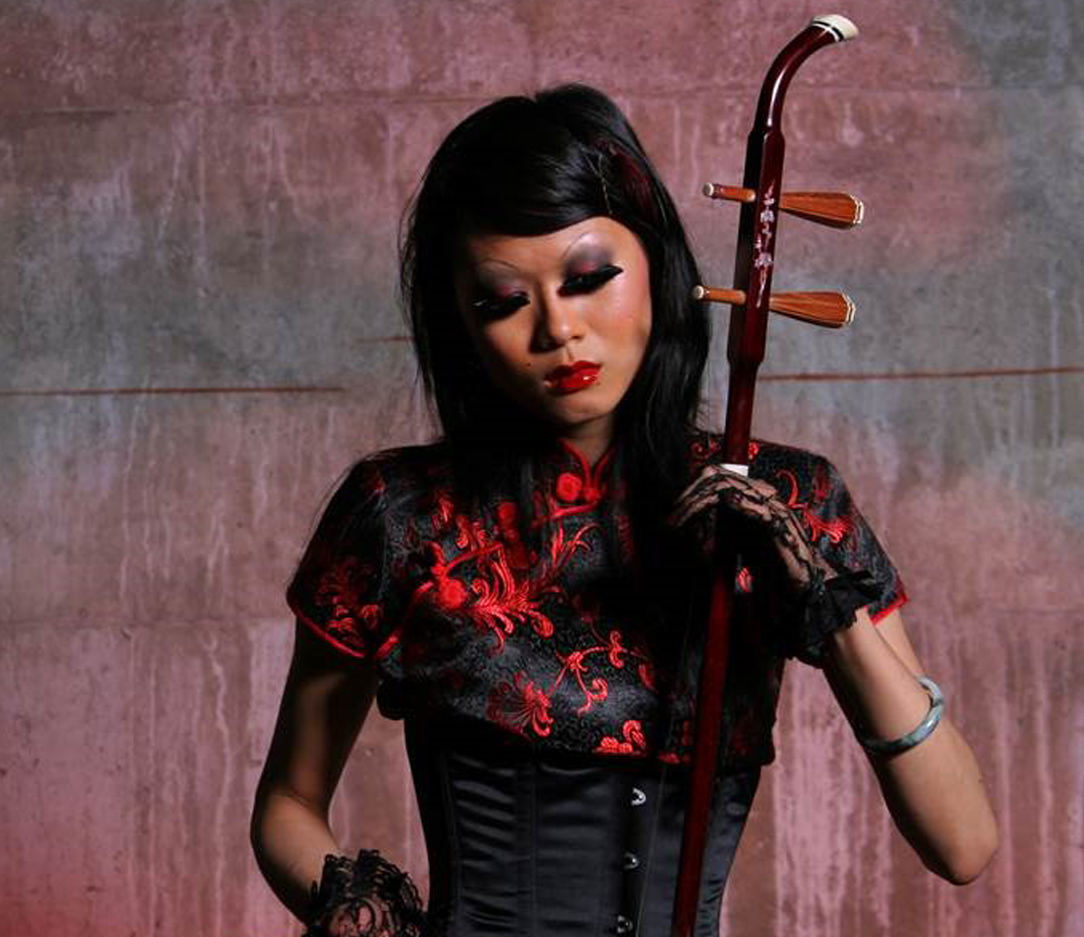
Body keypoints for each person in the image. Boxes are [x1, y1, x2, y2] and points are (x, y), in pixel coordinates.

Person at [248, 84, 998, 937]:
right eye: (502, 300)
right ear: (461, 325)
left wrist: (826, 607)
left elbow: (962, 843)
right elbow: (288, 802)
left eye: (587, 278)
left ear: (657, 265)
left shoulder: (792, 501)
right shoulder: (401, 515)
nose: (558, 329)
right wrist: (359, 916)